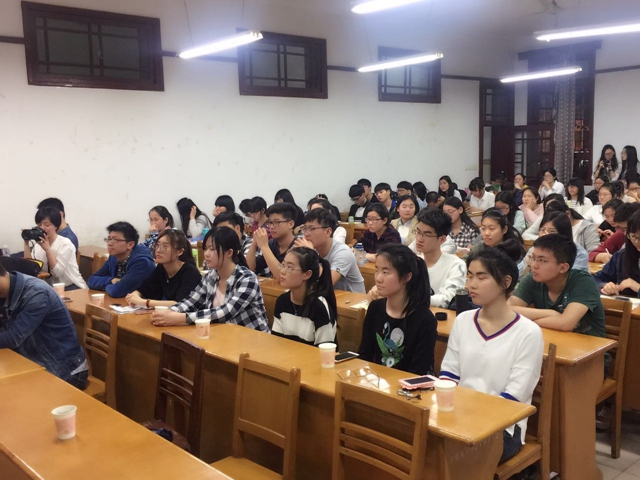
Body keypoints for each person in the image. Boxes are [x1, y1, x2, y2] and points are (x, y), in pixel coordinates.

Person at [440, 245, 543, 465]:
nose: (471, 284)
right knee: (421, 444)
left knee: (450, 457)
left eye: (481, 277)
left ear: (505, 283)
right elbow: (449, 374)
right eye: (469, 276)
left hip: (503, 427)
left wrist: (469, 420)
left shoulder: (528, 332)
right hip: (459, 417)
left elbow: (515, 396)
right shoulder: (463, 320)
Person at [150, 227, 269, 331]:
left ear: (229, 253)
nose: (206, 254)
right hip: (224, 337)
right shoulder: (211, 276)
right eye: (205, 248)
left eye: (212, 249)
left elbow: (226, 312)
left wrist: (180, 318)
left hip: (253, 340)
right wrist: (167, 313)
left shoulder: (247, 279)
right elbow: (192, 301)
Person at [0, 262, 88, 389]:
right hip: (37, 362)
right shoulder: (6, 292)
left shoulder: (37, 294)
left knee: (12, 393)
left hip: (67, 372)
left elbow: (13, 338)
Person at [358, 244, 437, 375]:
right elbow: (364, 356)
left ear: (406, 277)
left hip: (407, 385)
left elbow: (418, 372)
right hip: (375, 381)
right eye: (377, 270)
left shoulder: (424, 319)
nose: (378, 278)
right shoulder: (375, 308)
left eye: (385, 272)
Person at [509, 234, 606, 337]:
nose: (534, 265)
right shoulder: (533, 278)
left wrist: (528, 322)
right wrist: (550, 314)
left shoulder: (584, 282)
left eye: (542, 260)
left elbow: (566, 324)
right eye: (533, 258)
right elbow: (507, 310)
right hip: (548, 339)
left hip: (588, 344)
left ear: (563, 268)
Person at [370, 208, 466, 309]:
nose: (419, 239)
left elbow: (447, 299)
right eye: (418, 232)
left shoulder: (456, 265)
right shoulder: (413, 262)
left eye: (427, 235)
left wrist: (407, 299)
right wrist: (377, 291)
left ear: (442, 239)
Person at [272, 247, 337, 345]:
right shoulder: (282, 301)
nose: (282, 271)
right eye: (283, 265)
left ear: (307, 274)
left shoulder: (319, 307)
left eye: (289, 267)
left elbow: (325, 349)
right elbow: (277, 341)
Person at [126, 229, 202, 308]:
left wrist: (145, 302)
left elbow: (180, 304)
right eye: (157, 245)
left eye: (164, 247)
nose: (158, 250)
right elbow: (144, 289)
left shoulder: (190, 273)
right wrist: (135, 295)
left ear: (179, 252)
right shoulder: (162, 267)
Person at [296, 208, 365, 292]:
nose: (306, 234)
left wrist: (311, 255)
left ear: (328, 232)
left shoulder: (343, 252)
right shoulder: (313, 249)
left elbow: (326, 284)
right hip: (325, 297)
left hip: (351, 299)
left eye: (312, 229)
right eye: (305, 228)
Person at [23, 207, 87, 290]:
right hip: (50, 287)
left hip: (71, 286)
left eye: (47, 225)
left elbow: (57, 273)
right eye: (39, 225)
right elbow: (29, 266)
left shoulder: (65, 244)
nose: (42, 228)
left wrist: (48, 250)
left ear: (56, 226)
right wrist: (26, 242)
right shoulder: (38, 245)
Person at [87, 222, 156, 298]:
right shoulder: (114, 256)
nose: (110, 243)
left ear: (130, 245)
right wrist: (111, 280)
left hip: (143, 303)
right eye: (109, 239)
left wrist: (105, 286)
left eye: (115, 240)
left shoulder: (142, 262)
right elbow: (91, 280)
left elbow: (117, 291)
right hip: (120, 301)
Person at [519, 211, 589, 275]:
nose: (545, 235)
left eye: (552, 231)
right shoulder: (535, 250)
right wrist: (528, 264)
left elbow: (573, 278)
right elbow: (517, 274)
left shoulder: (579, 253)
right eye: (542, 230)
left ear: (564, 233)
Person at [595, 211, 640, 297]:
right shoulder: (621, 256)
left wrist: (636, 287)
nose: (637, 242)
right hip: (624, 304)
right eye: (633, 236)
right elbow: (596, 279)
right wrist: (605, 286)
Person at [246, 202, 297, 280]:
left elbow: (283, 276)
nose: (271, 227)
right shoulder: (272, 243)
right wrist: (254, 243)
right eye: (270, 222)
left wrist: (264, 247)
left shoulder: (298, 246)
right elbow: (249, 270)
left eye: (277, 222)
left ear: (291, 224)